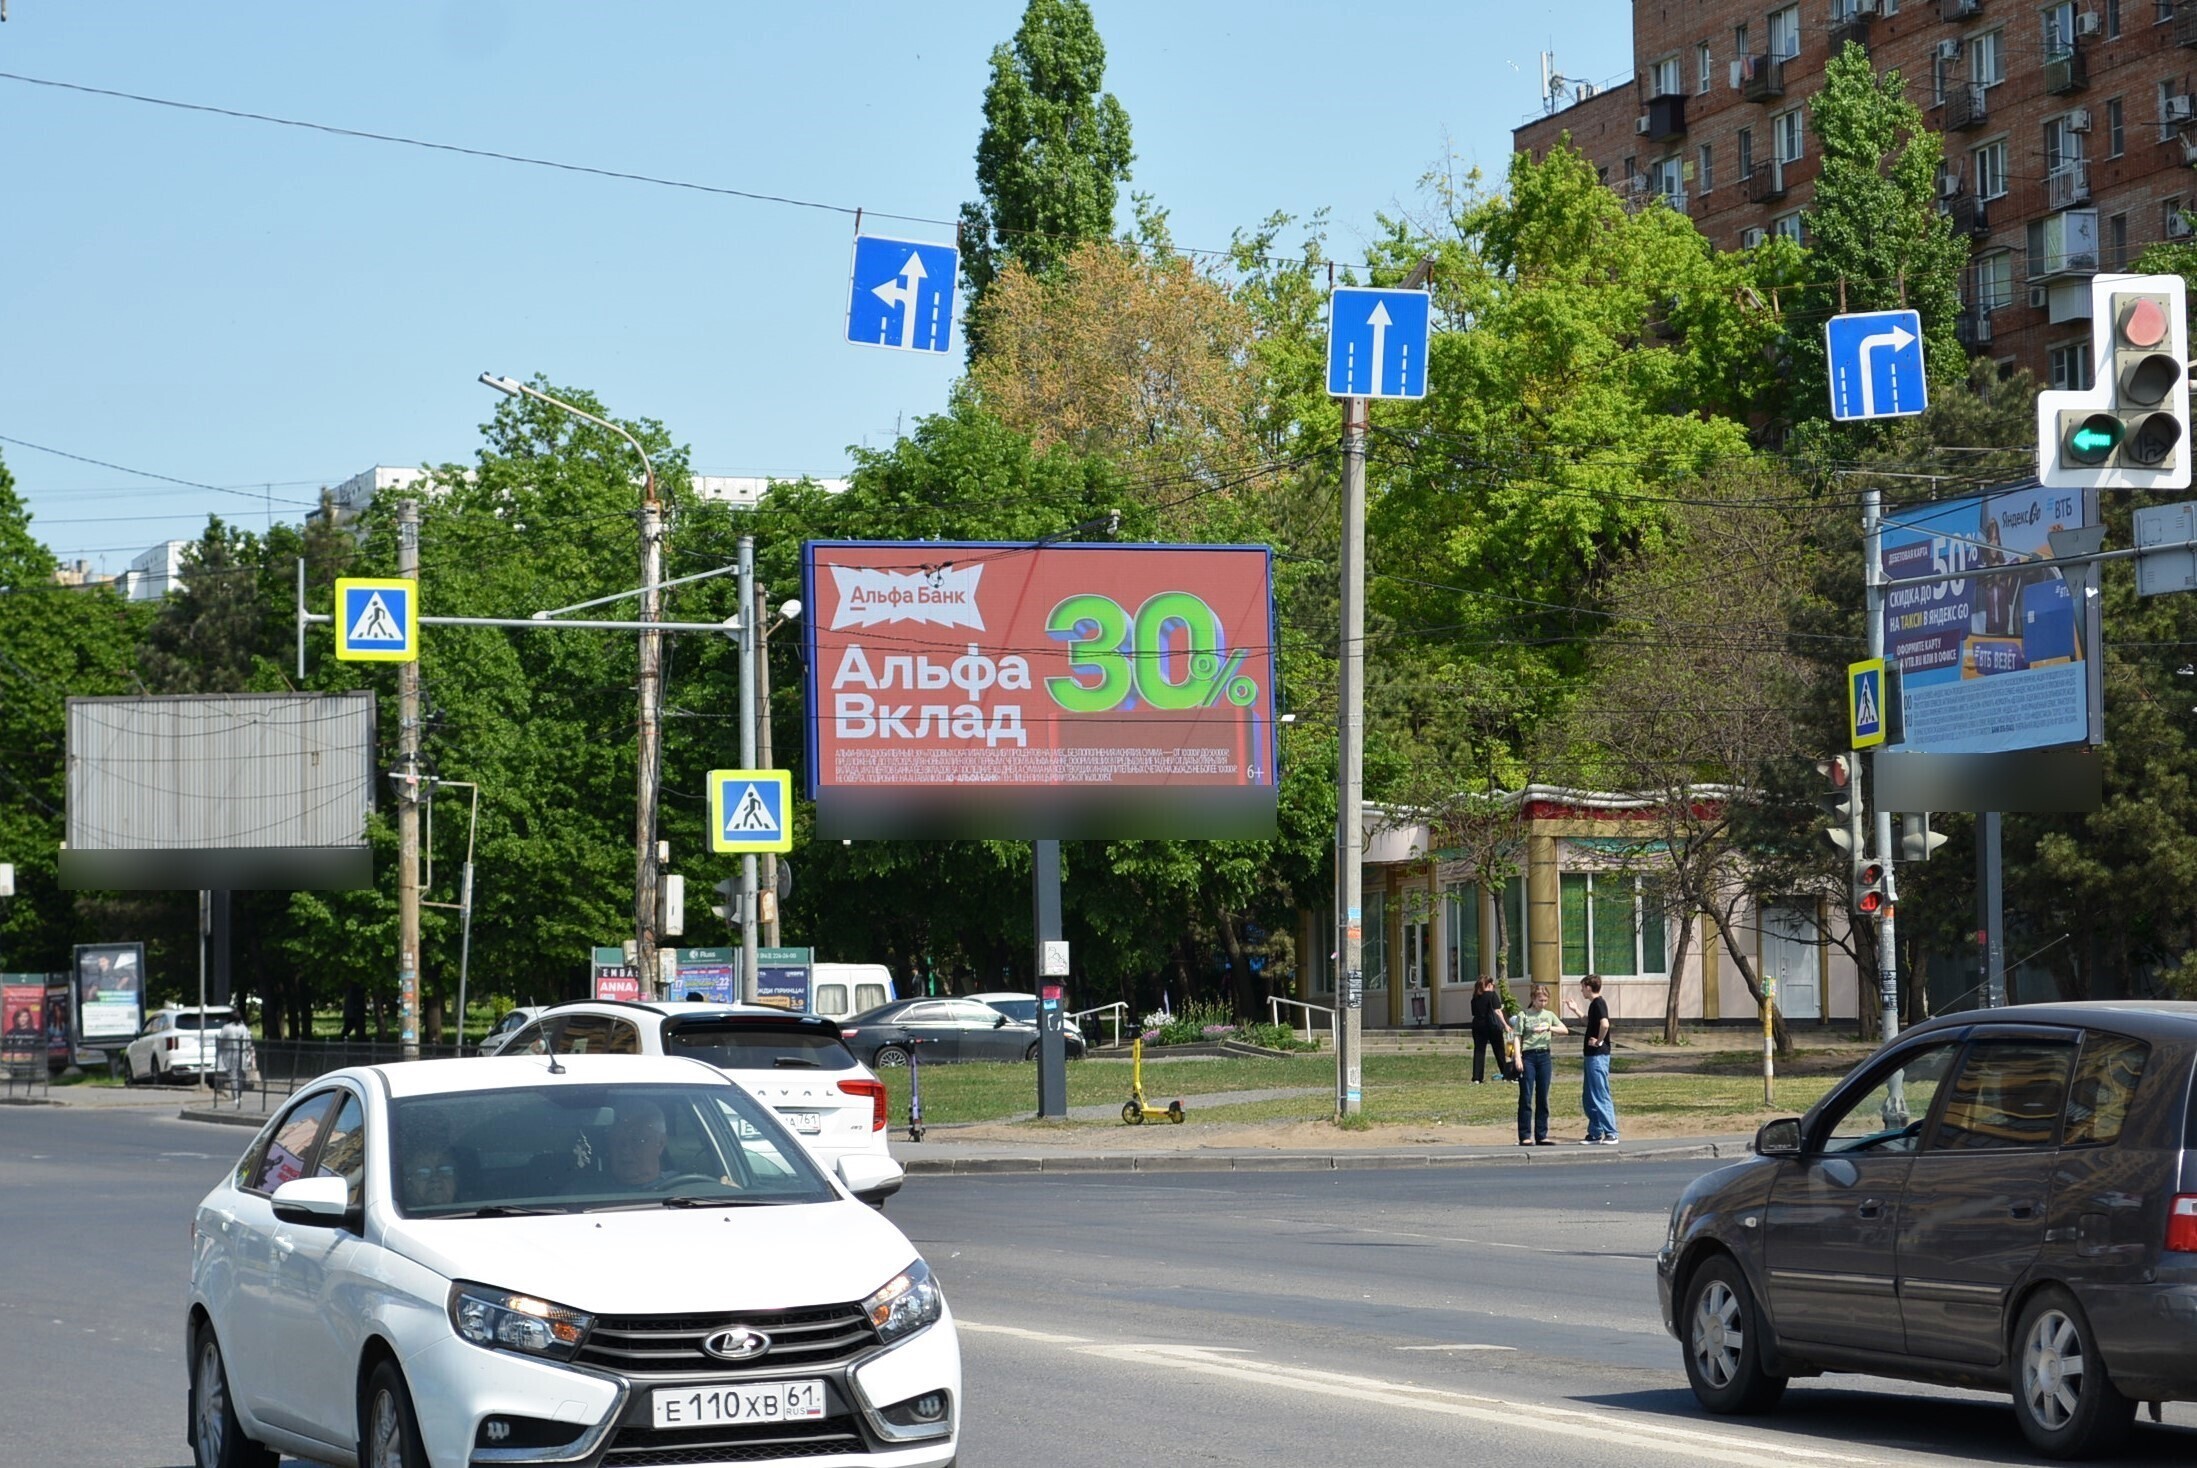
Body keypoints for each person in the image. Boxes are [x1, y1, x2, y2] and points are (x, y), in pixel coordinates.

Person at [1566, 974, 1619, 1145]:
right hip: (1590, 1056)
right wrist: (1575, 1010)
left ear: (1589, 987)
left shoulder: (1599, 1003)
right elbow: (1590, 1022)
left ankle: (1611, 1133)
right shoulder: (1593, 1006)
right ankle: (1595, 1132)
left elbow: (1604, 1024)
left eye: (1582, 987)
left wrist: (1599, 1041)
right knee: (1589, 1096)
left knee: (1600, 1093)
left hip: (1598, 1056)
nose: (1581, 990)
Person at [1513, 984, 1568, 1146]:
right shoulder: (1524, 1015)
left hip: (1544, 1056)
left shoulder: (1549, 1015)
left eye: (1545, 1000)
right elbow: (1517, 1037)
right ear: (1533, 999)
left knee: (1542, 1096)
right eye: (1540, 1000)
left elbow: (1564, 1030)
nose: (1543, 1003)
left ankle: (1541, 1134)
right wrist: (1518, 1057)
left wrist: (1549, 1027)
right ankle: (1525, 1135)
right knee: (1526, 1096)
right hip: (1528, 1056)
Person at [1468, 977, 1512, 1084]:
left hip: (1478, 1025)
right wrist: (1505, 1025)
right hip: (1492, 1025)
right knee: (1499, 1050)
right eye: (1493, 985)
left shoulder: (1475, 998)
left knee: (1479, 1051)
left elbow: (1474, 1013)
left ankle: (1477, 1077)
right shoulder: (1492, 995)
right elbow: (1497, 1011)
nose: (1493, 987)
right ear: (1489, 985)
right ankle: (1506, 1075)